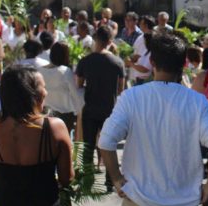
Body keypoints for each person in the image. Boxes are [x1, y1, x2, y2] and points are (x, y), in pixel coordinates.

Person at [98, 33, 208, 206]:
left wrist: (117, 179)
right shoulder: (196, 102)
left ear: (152, 62)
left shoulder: (132, 97)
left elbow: (105, 141)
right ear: (183, 64)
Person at [0, 66, 74, 206]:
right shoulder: (54, 127)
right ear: (33, 94)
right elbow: (66, 178)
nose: (46, 92)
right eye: (43, 87)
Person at [75, 26, 125, 176]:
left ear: (95, 39)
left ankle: (87, 179)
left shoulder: (85, 61)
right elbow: (120, 89)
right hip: (109, 109)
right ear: (110, 41)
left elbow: (79, 84)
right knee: (109, 145)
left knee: (88, 146)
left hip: (90, 108)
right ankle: (110, 179)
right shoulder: (117, 62)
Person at [40, 41, 82, 138]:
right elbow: (75, 94)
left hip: (45, 113)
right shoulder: (66, 71)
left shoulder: (40, 70)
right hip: (64, 115)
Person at [126, 15, 154, 85]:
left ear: (146, 25)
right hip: (137, 77)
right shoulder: (141, 37)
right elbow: (137, 53)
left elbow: (146, 68)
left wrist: (130, 63)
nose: (139, 25)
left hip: (146, 80)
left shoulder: (152, 40)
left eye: (141, 23)